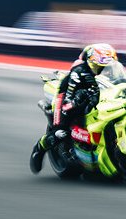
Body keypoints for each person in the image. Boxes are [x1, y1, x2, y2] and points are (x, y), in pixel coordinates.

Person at [29, 43, 116, 173]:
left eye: (107, 66)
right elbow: (68, 99)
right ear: (92, 62)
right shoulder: (79, 72)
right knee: (60, 133)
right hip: (66, 99)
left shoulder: (112, 71)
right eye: (100, 67)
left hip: (95, 98)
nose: (104, 70)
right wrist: (78, 100)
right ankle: (40, 148)